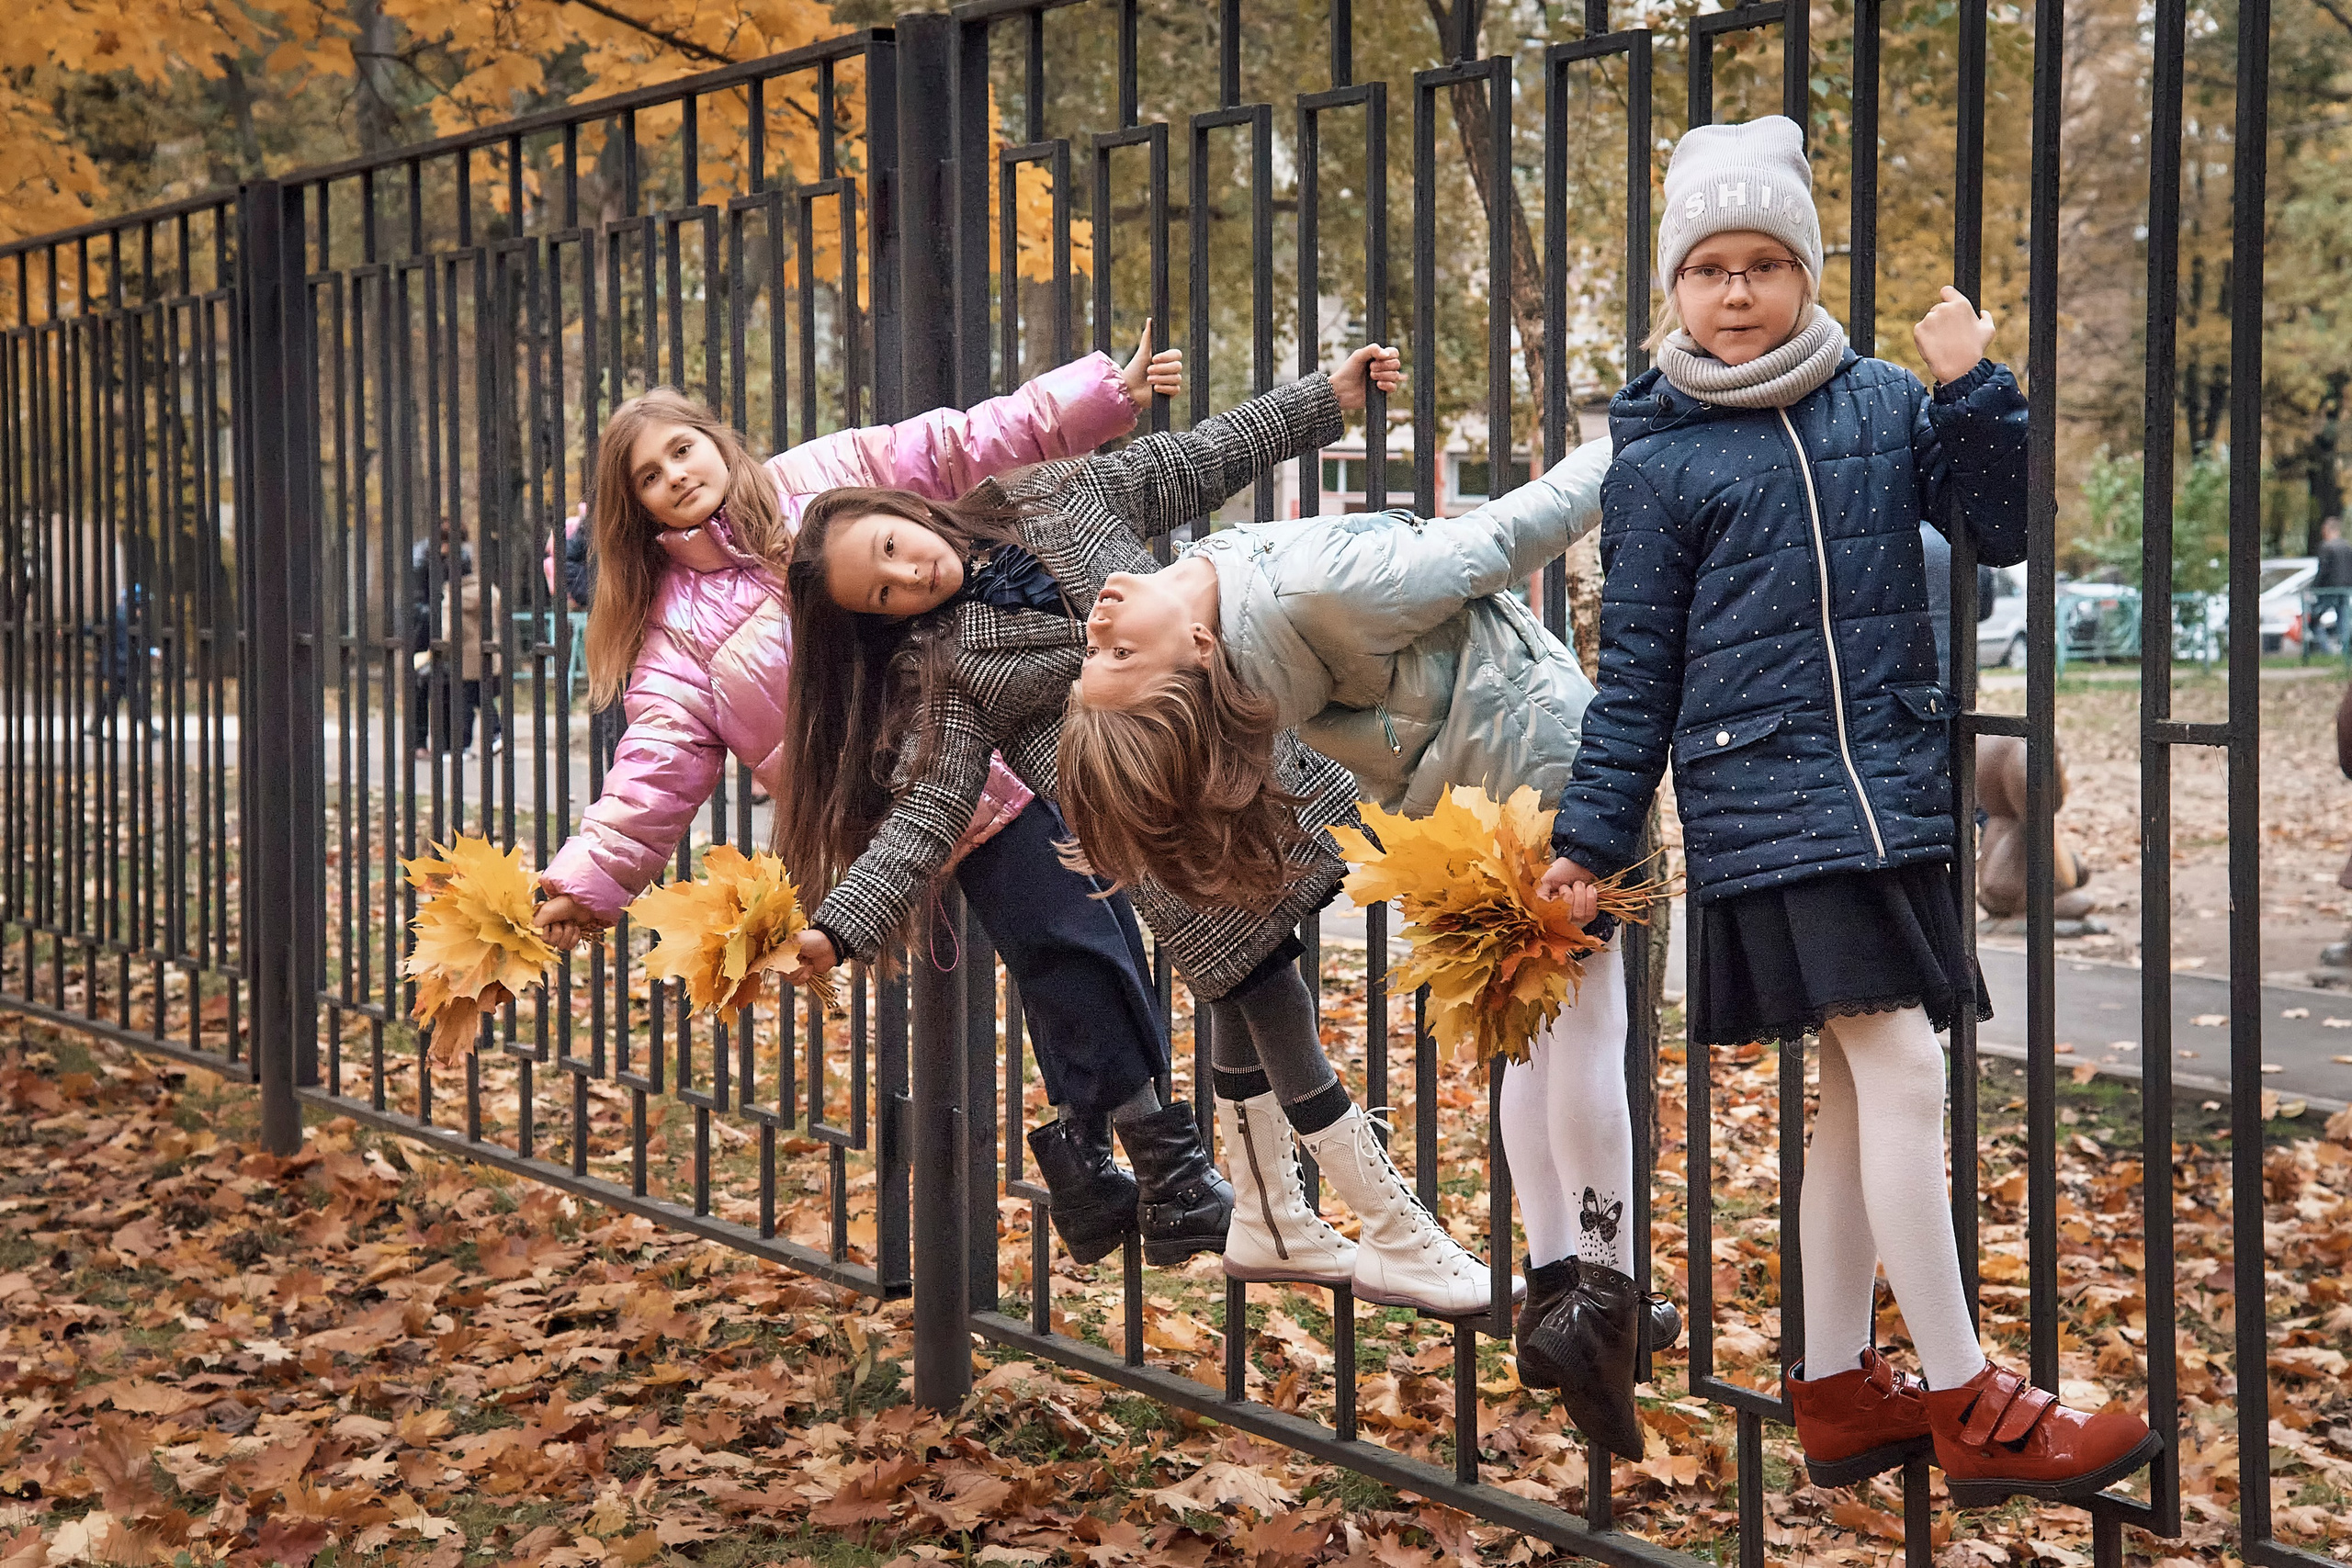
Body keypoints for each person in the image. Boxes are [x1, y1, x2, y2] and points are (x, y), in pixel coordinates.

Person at [1538, 117, 2157, 1506]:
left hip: (1897, 796)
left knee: (1847, 1097)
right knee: (1908, 1073)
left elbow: (1998, 531)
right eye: (1710, 267)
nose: (1740, 290)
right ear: (1673, 290)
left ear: (1809, 273)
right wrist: (1589, 841)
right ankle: (1966, 1392)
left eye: (1767, 262)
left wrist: (1977, 387)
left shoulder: (1883, 402)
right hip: (1771, 808)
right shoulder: (1658, 459)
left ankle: (1829, 1383)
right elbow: (1632, 674)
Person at [773, 346, 1526, 1319]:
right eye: (880, 595)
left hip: (1253, 770)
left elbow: (1189, 462)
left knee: (1251, 987)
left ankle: (1269, 1220)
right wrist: (840, 925)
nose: (907, 575)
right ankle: (1389, 1226)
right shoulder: (945, 668)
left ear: (900, 510)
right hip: (1162, 838)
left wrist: (1319, 401)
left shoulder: (1046, 494)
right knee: (1268, 992)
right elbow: (929, 808)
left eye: (887, 548)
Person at [532, 334, 1234, 1264]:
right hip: (919, 795)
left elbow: (960, 444)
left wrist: (1101, 394)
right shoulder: (673, 638)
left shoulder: (825, 475)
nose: (676, 477)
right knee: (1070, 936)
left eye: (681, 450)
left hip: (1011, 711)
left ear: (715, 440)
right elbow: (654, 767)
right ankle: (1152, 1166)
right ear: (634, 509)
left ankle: (1091, 1165)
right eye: (651, 478)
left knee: (1079, 938)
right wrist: (591, 879)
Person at [1054, 434, 1679, 1452]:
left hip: (1461, 811)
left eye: (1096, 657)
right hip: (1552, 787)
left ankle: (1554, 1288)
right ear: (1202, 655)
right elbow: (1501, 538)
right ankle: (1604, 1298)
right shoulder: (1302, 594)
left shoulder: (1246, 617)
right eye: (1118, 655)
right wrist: (1629, 436)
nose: (1097, 627)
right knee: (1589, 1035)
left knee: (1530, 1041)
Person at [2313, 517, 2352, 655]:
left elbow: (2322, 570)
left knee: (2315, 618)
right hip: (2345, 589)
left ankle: (2326, 649)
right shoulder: (2347, 546)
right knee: (2343, 619)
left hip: (2328, 590)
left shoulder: (2326, 546)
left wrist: (2315, 588)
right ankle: (2345, 649)